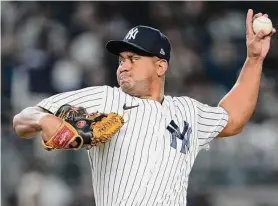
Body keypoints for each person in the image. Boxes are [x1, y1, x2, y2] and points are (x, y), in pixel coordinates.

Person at [13, 9, 275, 206]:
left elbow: (233, 119)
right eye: (121, 59)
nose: (123, 65)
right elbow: (22, 119)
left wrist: (254, 59)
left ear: (160, 66)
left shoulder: (186, 111)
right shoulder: (106, 98)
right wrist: (43, 120)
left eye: (133, 58)